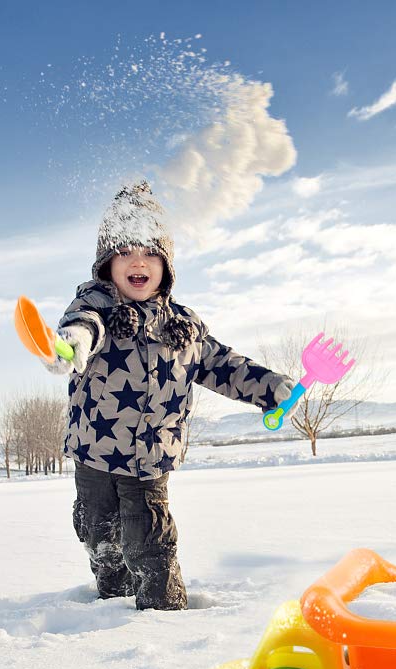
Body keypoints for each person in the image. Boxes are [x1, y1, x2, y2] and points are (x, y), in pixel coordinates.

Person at [48, 181, 294, 611]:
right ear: (108, 263)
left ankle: (164, 615)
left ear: (166, 265)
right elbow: (83, 324)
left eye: (149, 253)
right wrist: (72, 343)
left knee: (151, 543)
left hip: (150, 459)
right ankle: (110, 606)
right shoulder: (96, 306)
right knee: (98, 535)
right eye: (125, 252)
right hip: (95, 452)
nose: (137, 262)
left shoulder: (182, 324)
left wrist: (269, 387)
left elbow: (220, 364)